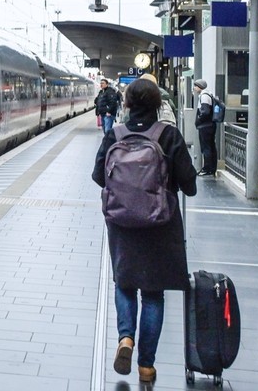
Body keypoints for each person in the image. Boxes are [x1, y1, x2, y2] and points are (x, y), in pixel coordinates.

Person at [92, 78, 197, 385]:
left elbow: (99, 176)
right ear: (157, 104)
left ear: (125, 104)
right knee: (153, 294)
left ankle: (126, 338)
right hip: (160, 225)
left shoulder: (115, 134)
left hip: (122, 224)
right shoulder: (169, 135)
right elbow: (189, 184)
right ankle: (146, 367)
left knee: (124, 284)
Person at [193, 79, 217, 176]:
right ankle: (212, 168)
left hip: (205, 126)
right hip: (210, 125)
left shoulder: (204, 96)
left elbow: (205, 111)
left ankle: (207, 168)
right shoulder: (209, 95)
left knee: (206, 147)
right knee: (211, 146)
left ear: (199, 86)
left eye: (195, 86)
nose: (194, 88)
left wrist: (199, 119)